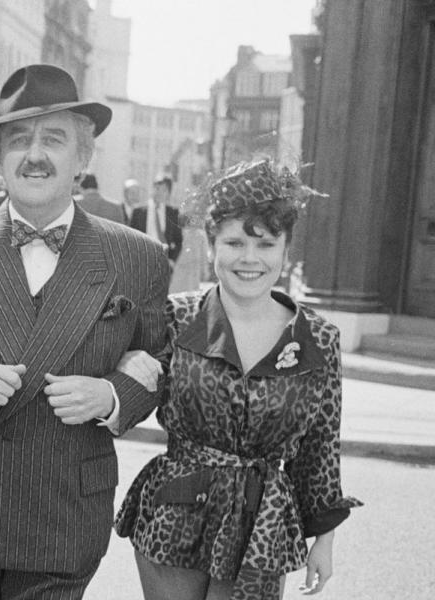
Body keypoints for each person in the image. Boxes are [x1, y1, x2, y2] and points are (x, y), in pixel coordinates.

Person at [0, 64, 171, 599]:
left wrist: (110, 395)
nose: (35, 155)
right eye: (18, 140)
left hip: (66, 515)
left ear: (82, 158)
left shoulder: (138, 258)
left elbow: (158, 362)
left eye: (54, 139)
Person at [114, 159, 362, 600]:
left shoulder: (318, 339)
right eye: (234, 242)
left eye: (265, 244)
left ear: (286, 252)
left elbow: (321, 446)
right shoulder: (176, 317)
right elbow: (129, 390)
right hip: (174, 517)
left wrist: (323, 538)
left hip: (261, 526)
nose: (250, 259)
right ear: (211, 248)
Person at [131, 173, 183, 265]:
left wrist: (172, 260)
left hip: (163, 262)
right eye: (157, 188)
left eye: (164, 190)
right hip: (142, 261)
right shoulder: (138, 212)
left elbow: (178, 241)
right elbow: (130, 238)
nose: (159, 193)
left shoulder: (173, 213)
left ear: (168, 193)